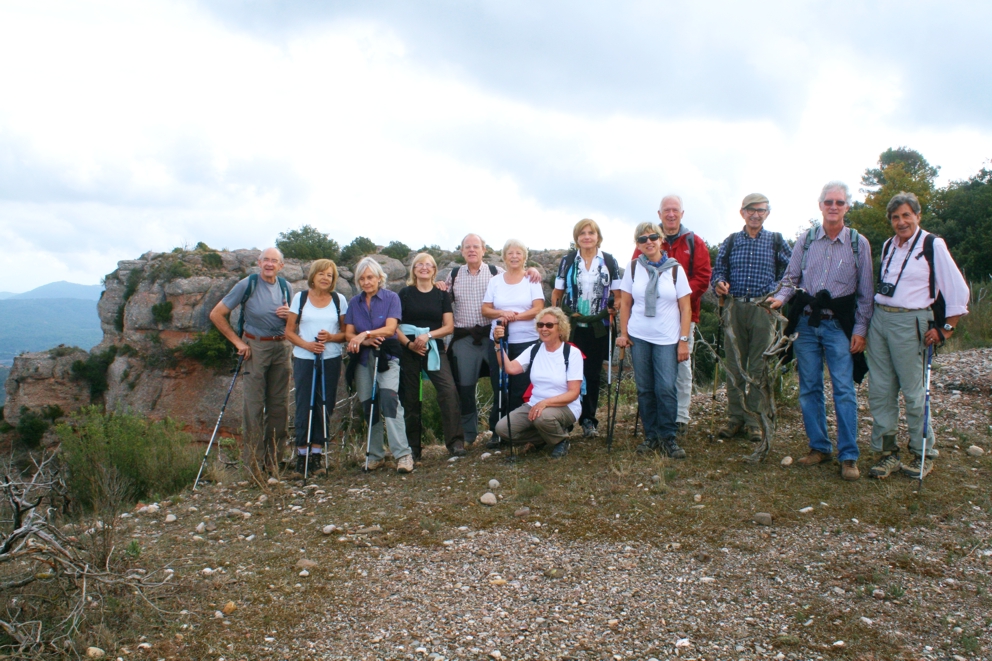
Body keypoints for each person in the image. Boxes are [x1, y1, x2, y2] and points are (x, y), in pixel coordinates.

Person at [769, 181, 874, 481]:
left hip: (839, 325)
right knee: (809, 387)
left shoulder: (858, 243)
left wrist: (861, 330)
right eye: (828, 202)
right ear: (820, 205)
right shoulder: (807, 240)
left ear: (847, 206)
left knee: (844, 389)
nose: (833, 207)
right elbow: (791, 279)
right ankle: (819, 446)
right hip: (807, 323)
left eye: (839, 202)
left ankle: (849, 455)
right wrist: (779, 300)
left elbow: (866, 292)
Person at [866, 192, 970, 480]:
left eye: (906, 215)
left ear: (917, 216)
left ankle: (923, 453)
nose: (901, 222)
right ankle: (888, 452)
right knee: (881, 389)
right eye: (895, 217)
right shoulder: (889, 245)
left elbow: (958, 290)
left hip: (911, 321)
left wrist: (946, 329)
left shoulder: (932, 244)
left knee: (913, 392)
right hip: (880, 319)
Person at [437, 234, 541, 445]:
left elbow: (521, 276)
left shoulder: (498, 272)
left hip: (499, 336)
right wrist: (437, 284)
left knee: (509, 386)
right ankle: (473, 435)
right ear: (462, 251)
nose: (472, 250)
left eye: (476, 246)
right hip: (473, 337)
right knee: (471, 387)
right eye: (468, 247)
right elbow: (444, 302)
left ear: (484, 250)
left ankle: (508, 430)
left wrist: (533, 270)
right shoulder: (455, 275)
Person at [711, 194, 793, 442]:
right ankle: (735, 418)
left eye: (761, 210)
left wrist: (776, 292)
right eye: (751, 210)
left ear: (767, 213)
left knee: (759, 367)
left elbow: (791, 271)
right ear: (742, 212)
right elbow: (719, 270)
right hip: (734, 307)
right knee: (734, 366)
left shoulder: (776, 241)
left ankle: (754, 421)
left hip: (763, 308)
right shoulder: (731, 241)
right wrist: (719, 282)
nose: (756, 214)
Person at [209, 247, 292, 477]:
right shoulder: (247, 284)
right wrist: (238, 343)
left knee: (279, 407)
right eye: (266, 260)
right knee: (253, 408)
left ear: (281, 266)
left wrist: (290, 316)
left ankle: (274, 464)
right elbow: (216, 314)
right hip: (255, 347)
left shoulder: (286, 286)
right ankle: (253, 468)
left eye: (274, 261)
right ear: (259, 262)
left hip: (282, 347)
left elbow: (293, 323)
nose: (269, 264)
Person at [632, 195, 711, 436]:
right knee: (651, 374)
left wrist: (678, 297)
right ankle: (656, 420)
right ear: (659, 214)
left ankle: (680, 418)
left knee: (681, 368)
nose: (671, 214)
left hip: (685, 316)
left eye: (675, 210)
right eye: (666, 210)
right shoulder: (647, 240)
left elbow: (703, 277)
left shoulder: (694, 242)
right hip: (649, 321)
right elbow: (635, 276)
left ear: (682, 213)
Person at [616, 222, 693, 458]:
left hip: (667, 338)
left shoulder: (675, 270)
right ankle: (651, 436)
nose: (648, 242)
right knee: (645, 389)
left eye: (652, 237)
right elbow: (625, 303)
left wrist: (683, 340)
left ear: (661, 240)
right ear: (637, 244)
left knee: (666, 388)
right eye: (642, 239)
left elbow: (686, 307)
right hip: (639, 337)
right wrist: (623, 333)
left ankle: (668, 437)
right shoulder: (632, 268)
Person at [551, 219, 622, 438]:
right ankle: (566, 420)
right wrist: (556, 320)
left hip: (599, 327)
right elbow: (557, 293)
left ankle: (589, 419)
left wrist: (615, 307)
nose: (587, 237)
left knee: (592, 374)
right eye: (582, 233)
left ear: (598, 237)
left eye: (591, 232)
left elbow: (618, 295)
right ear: (576, 237)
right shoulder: (568, 261)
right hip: (572, 327)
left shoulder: (609, 261)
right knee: (567, 374)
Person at [344, 256, 415, 473]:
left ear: (379, 278)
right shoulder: (354, 303)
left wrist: (365, 333)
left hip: (388, 357)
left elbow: (390, 328)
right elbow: (348, 334)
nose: (366, 282)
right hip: (363, 359)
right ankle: (376, 455)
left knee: (390, 400)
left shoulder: (391, 298)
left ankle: (403, 455)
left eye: (370, 277)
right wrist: (364, 340)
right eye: (362, 278)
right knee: (369, 405)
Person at [397, 253, 465, 460]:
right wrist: (409, 344)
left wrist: (427, 336)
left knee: (448, 391)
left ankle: (455, 443)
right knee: (410, 397)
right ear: (414, 269)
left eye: (428, 264)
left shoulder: (441, 295)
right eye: (419, 264)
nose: (424, 267)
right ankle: (413, 449)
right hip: (408, 349)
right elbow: (395, 326)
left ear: (434, 270)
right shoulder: (405, 293)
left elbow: (449, 327)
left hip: (434, 347)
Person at [284, 259, 347, 477]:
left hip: (330, 358)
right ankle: (302, 456)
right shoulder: (300, 298)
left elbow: (346, 333)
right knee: (304, 404)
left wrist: (330, 337)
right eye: (321, 274)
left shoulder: (339, 300)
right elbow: (289, 331)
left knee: (324, 405)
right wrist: (307, 345)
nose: (325, 278)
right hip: (304, 359)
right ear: (313, 275)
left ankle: (317, 456)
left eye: (329, 275)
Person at [492, 307, 583, 458]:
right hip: (534, 404)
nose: (544, 329)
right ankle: (546, 437)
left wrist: (545, 403)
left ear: (560, 329)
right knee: (503, 429)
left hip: (565, 406)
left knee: (543, 417)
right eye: (540, 325)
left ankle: (561, 441)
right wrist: (497, 344)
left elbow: (573, 393)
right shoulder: (534, 349)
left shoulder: (572, 353)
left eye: (549, 325)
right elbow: (510, 368)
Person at [481, 239, 546, 446]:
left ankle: (516, 431)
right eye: (510, 253)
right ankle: (497, 431)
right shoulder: (495, 281)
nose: (514, 256)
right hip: (499, 342)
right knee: (499, 386)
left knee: (520, 388)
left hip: (527, 342)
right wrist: (503, 313)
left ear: (524, 257)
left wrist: (515, 317)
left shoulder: (531, 280)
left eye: (518, 253)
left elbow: (538, 309)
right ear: (504, 257)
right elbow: (486, 309)